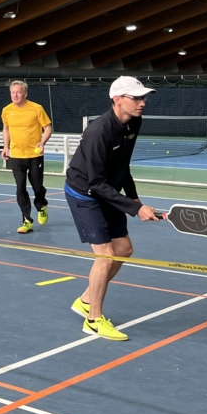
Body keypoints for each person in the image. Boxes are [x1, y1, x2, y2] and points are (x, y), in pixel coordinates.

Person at [64, 76, 161, 341]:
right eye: (136, 98)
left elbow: (122, 164)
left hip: (108, 189)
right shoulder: (99, 132)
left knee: (124, 250)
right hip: (84, 193)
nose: (142, 103)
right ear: (117, 99)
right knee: (106, 256)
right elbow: (95, 183)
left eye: (143, 98)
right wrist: (133, 208)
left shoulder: (134, 122)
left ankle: (86, 299)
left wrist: (134, 198)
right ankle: (93, 320)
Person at [1, 80, 53, 235]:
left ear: (25, 93)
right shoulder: (6, 110)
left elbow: (48, 127)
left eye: (18, 92)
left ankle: (41, 205)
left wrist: (42, 142)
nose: (15, 95)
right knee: (20, 188)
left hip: (34, 155)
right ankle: (27, 221)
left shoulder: (36, 108)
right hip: (16, 155)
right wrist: (6, 147)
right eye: (12, 92)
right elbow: (6, 129)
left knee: (37, 187)